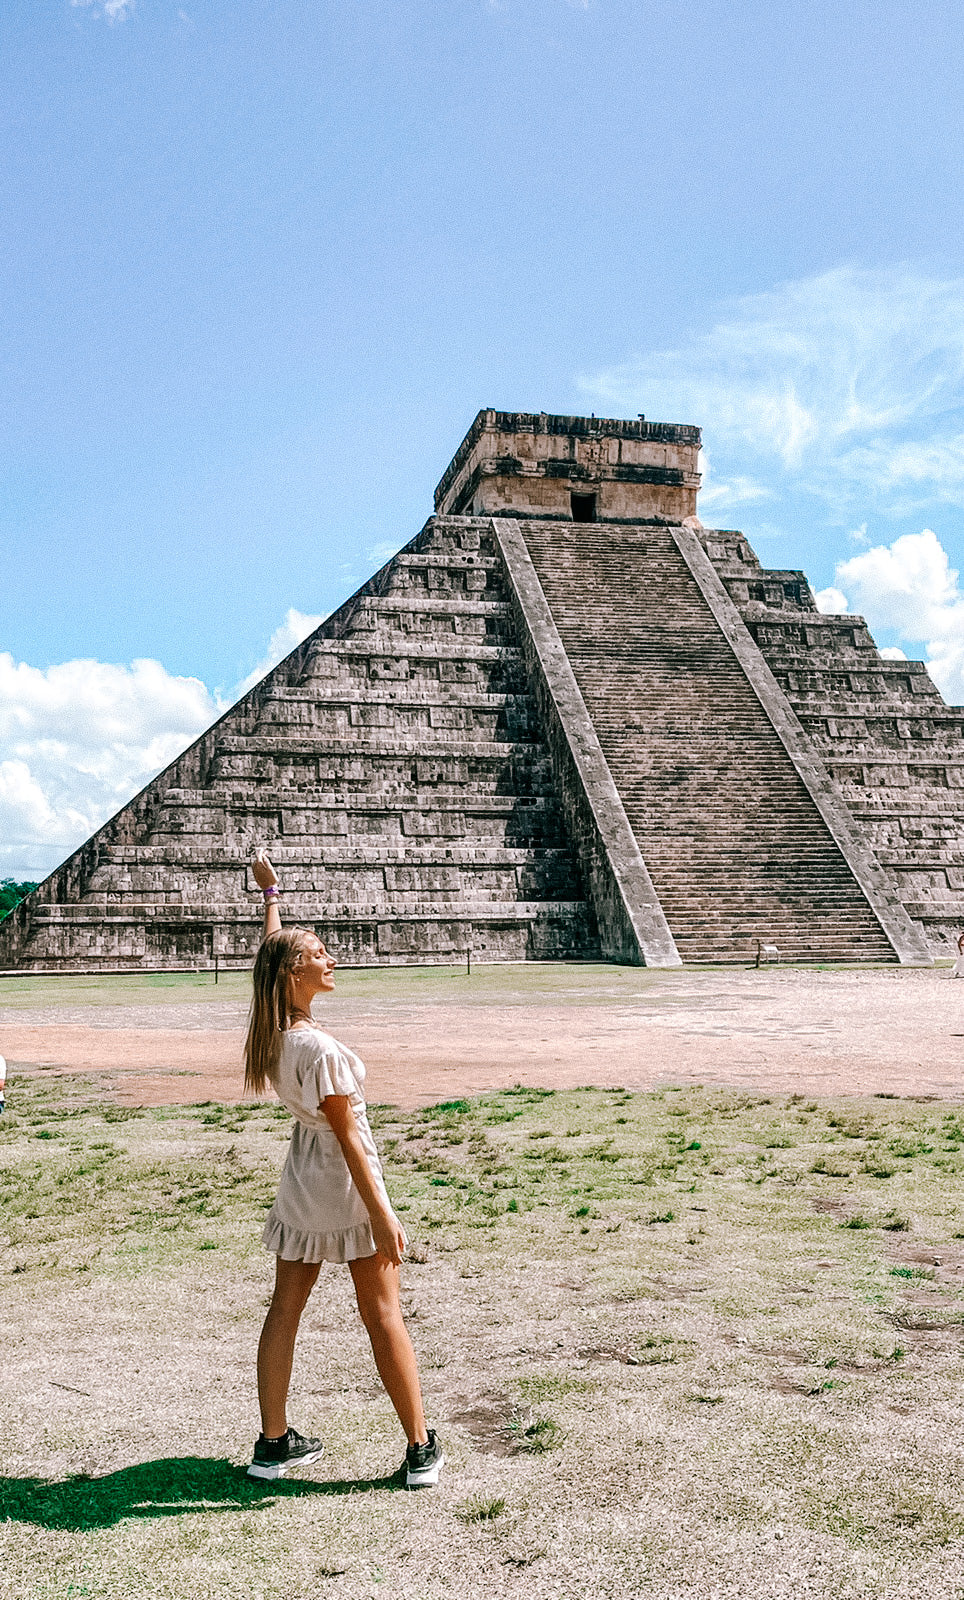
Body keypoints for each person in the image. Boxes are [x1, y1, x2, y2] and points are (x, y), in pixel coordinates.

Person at [243, 850, 443, 1489]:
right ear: (297, 973)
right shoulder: (321, 1049)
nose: (332, 960)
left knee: (286, 1306)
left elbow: (271, 953)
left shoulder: (277, 1033)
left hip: (303, 1181)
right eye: (321, 954)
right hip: (348, 1184)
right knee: (384, 1314)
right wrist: (385, 1217)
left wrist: (272, 894)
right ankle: (418, 1448)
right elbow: (354, 1142)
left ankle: (274, 1441)